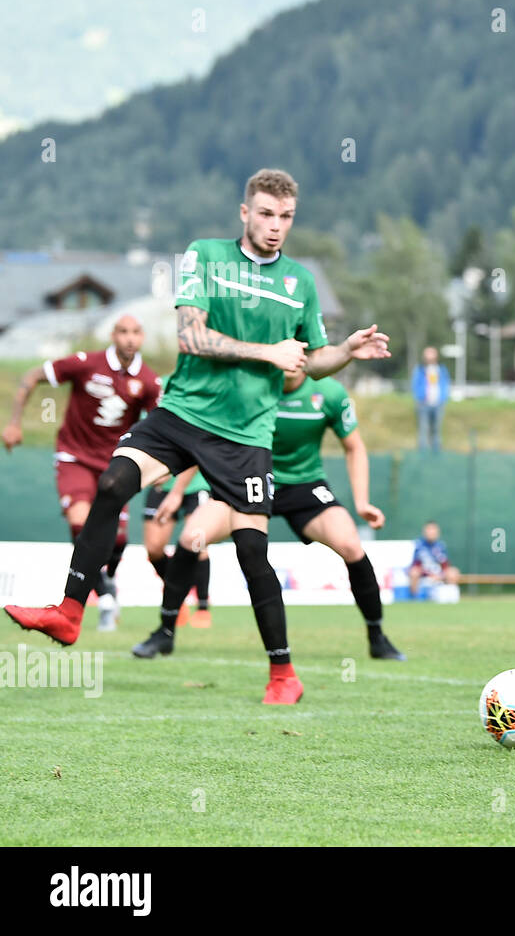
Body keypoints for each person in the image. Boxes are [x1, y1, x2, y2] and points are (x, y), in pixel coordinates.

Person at [4, 168, 391, 704]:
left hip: (246, 434)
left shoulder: (299, 282)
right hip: (183, 413)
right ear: (244, 212)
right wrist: (267, 353)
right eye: (265, 214)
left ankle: (283, 675)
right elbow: (192, 336)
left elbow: (313, 360)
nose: (276, 226)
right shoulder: (205, 256)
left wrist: (346, 351)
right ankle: (70, 612)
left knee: (253, 551)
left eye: (286, 217)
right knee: (114, 482)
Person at [141, 366, 405, 660]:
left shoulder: (329, 394)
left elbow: (354, 447)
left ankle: (377, 636)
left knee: (351, 545)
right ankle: (164, 632)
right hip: (247, 481)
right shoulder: (248, 389)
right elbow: (207, 441)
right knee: (192, 538)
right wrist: (177, 492)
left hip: (303, 487)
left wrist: (362, 502)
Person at [3, 314, 162, 631]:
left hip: (116, 463)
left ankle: (106, 584)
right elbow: (34, 375)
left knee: (116, 540)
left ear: (142, 338)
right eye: (123, 332)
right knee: (80, 521)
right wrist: (15, 422)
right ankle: (103, 596)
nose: (129, 338)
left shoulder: (147, 380)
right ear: (113, 335)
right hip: (74, 456)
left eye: (135, 332)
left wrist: (159, 462)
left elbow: (158, 422)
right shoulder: (85, 363)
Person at [141, 466, 213, 627]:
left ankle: (202, 608)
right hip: (163, 486)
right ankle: (177, 599)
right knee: (153, 549)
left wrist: (171, 472)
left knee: (198, 543)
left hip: (196, 485)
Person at [411, 346, 450, 453]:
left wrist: (444, 398)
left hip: (438, 403)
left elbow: (445, 384)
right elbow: (415, 385)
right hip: (423, 403)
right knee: (423, 429)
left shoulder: (441, 370)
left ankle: (436, 453)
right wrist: (419, 398)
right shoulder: (419, 369)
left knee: (437, 429)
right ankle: (423, 453)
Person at [409, 521, 460, 597]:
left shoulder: (440, 546)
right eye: (429, 530)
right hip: (424, 574)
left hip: (438, 574)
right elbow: (416, 565)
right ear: (424, 532)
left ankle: (451, 597)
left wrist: (440, 575)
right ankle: (414, 598)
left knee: (453, 572)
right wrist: (430, 574)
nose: (431, 532)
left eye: (433, 530)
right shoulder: (419, 546)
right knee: (414, 572)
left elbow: (445, 565)